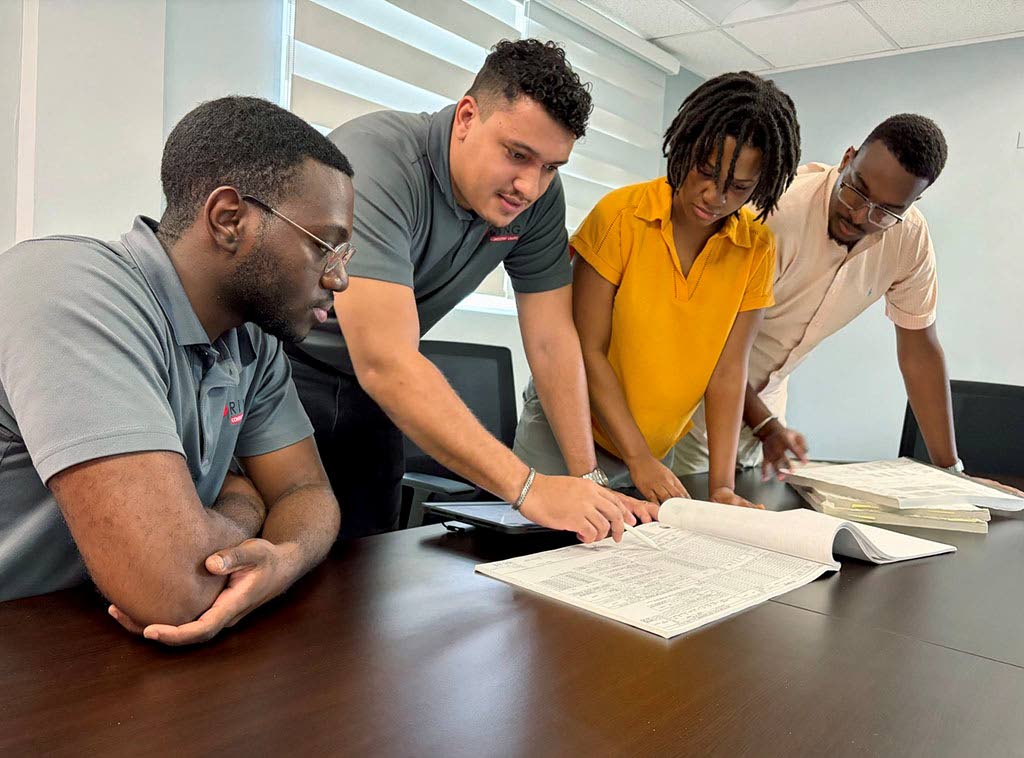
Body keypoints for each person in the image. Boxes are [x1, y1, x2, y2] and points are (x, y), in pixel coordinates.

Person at [0, 96, 353, 644]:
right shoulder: (68, 287)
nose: (338, 279)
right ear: (228, 218)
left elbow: (306, 492)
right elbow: (170, 589)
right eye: (323, 246)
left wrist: (282, 561)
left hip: (92, 643)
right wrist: (244, 505)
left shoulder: (253, 343)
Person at [287, 39, 649, 543]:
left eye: (550, 167)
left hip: (375, 398)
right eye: (517, 154)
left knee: (366, 569)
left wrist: (589, 482)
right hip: (285, 374)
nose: (530, 185)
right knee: (280, 565)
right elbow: (387, 362)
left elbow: (551, 340)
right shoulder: (377, 163)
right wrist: (529, 488)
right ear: (466, 117)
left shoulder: (537, 201)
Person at [674, 113, 1024, 496]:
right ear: (847, 159)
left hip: (765, 406)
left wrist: (950, 476)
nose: (859, 215)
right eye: (856, 190)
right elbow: (712, 345)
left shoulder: (908, 238)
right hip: (693, 399)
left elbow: (919, 350)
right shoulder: (775, 215)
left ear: (913, 203)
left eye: (886, 210)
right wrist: (765, 426)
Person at [513, 72, 801, 507]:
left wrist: (722, 487)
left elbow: (727, 374)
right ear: (685, 148)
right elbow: (586, 349)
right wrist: (638, 457)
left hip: (652, 452)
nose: (714, 195)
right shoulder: (621, 217)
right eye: (705, 172)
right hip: (568, 431)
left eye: (738, 187)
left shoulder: (756, 249)